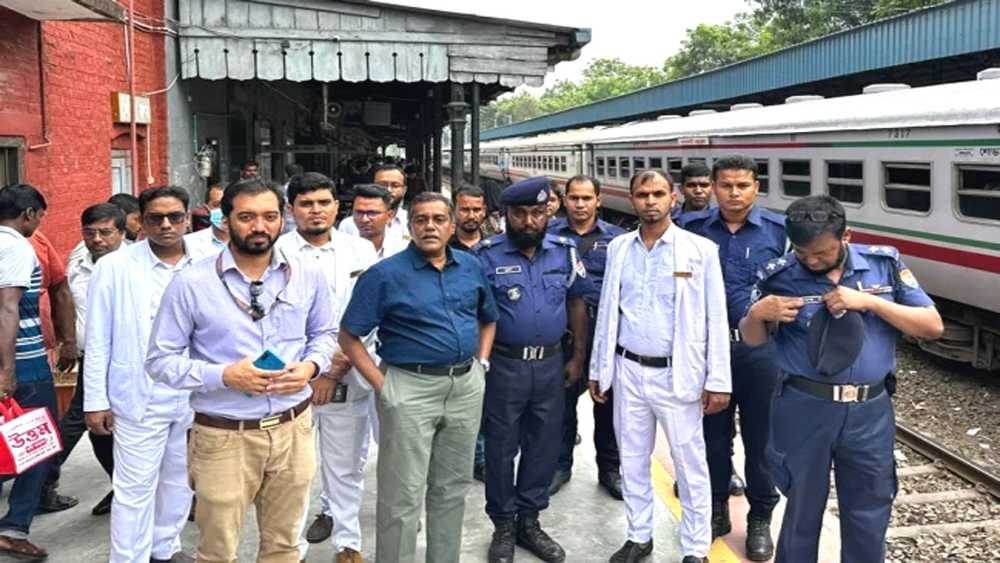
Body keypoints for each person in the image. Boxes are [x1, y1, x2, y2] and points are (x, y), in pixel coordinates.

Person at [739, 195, 943, 563]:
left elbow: (932, 325)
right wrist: (757, 314)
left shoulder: (884, 265)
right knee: (801, 507)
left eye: (821, 253)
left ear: (845, 236)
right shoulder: (779, 275)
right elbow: (753, 340)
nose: (811, 260)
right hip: (804, 408)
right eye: (803, 253)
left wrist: (872, 303)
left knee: (869, 510)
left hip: (869, 411)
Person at [145, 178, 337, 562]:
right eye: (247, 217)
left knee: (284, 546)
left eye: (269, 216)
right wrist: (224, 375)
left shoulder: (308, 274)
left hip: (293, 428)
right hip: (224, 435)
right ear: (224, 219)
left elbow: (325, 334)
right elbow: (159, 362)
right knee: (218, 550)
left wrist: (312, 366)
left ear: (282, 219)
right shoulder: (191, 284)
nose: (260, 226)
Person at [339, 192, 498, 563]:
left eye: (438, 219)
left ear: (452, 225)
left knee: (451, 487)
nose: (430, 227)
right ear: (409, 227)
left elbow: (488, 318)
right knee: (402, 493)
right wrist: (384, 386)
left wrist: (482, 364)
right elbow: (349, 336)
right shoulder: (384, 275)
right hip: (408, 386)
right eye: (421, 220)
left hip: (465, 385)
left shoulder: (470, 267)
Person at [590, 169, 731, 563]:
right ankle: (639, 536)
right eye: (642, 194)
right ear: (631, 199)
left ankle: (695, 549)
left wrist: (718, 380)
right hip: (628, 370)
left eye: (657, 193)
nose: (649, 201)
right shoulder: (619, 248)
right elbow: (608, 313)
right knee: (632, 459)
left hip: (678, 374)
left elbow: (715, 319)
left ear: (673, 197)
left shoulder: (699, 250)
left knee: (690, 465)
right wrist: (600, 369)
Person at [677, 155, 786, 559]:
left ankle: (760, 518)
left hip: (760, 353)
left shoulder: (778, 232)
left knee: (763, 442)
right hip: (706, 352)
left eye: (743, 186)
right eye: (726, 186)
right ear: (714, 187)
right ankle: (717, 507)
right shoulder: (689, 230)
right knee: (711, 437)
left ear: (756, 187)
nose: (734, 193)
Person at [475, 176, 588, 563]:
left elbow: (576, 305)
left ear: (547, 213)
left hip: (552, 365)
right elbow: (476, 315)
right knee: (501, 447)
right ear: (505, 215)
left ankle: (530, 520)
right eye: (520, 213)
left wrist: (577, 358)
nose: (528, 221)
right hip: (505, 366)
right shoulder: (486, 256)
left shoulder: (564, 252)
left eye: (536, 213)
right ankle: (503, 525)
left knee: (544, 444)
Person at [83, 186, 196, 563]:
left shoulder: (207, 262)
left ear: (187, 218)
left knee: (179, 481)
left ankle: (166, 547)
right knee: (133, 488)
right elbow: (98, 338)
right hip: (137, 395)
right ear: (140, 222)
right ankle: (128, 558)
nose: (166, 225)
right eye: (155, 218)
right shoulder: (116, 267)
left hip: (193, 394)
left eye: (175, 217)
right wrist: (96, 400)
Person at [275, 173, 378, 563]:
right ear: (291, 210)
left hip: (348, 372)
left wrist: (334, 367)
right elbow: (270, 321)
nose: (315, 210)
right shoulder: (277, 252)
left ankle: (348, 543)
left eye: (323, 202)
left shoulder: (361, 252)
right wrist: (310, 370)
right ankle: (291, 549)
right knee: (291, 472)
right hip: (292, 379)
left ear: (338, 207)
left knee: (345, 465)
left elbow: (371, 315)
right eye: (306, 204)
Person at [546, 175, 625, 500]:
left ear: (598, 201)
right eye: (573, 198)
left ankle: (609, 469)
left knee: (608, 404)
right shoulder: (548, 237)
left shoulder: (619, 240)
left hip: (607, 333)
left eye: (586, 198)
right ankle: (560, 466)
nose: (579, 204)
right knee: (560, 405)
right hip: (562, 333)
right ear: (564, 200)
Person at [45, 203, 126, 518]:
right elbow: (67, 303)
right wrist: (68, 343)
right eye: (90, 232)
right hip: (91, 358)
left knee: (84, 422)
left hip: (124, 361)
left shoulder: (134, 265)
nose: (97, 239)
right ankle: (122, 486)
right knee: (99, 431)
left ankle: (41, 481)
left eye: (105, 232)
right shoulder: (78, 261)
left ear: (120, 233)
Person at [0, 184, 57, 560]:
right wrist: (7, 371)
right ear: (28, 214)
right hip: (22, 360)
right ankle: (14, 527)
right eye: (39, 217)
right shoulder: (17, 247)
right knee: (36, 443)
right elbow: (8, 307)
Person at [450, 184, 498, 481]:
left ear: (484, 211)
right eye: (465, 209)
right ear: (455, 210)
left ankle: (480, 458)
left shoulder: (496, 248)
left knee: (485, 403)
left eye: (476, 209)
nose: (471, 215)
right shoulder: (443, 246)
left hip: (490, 336)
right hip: (456, 336)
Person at [340, 164, 410, 241]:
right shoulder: (349, 225)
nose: (389, 190)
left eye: (395, 185)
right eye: (382, 185)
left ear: (404, 190)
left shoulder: (411, 222)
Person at [66, 193, 140, 266]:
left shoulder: (136, 264)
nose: (97, 239)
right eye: (136, 219)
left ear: (122, 233)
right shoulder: (80, 261)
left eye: (105, 232)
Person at [347, 184, 409, 259]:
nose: (364, 219)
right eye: (359, 212)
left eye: (372, 213)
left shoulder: (402, 252)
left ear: (389, 216)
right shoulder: (342, 250)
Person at [184, 183, 228, 261]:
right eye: (217, 205)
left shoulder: (252, 242)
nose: (224, 210)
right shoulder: (188, 243)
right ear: (207, 207)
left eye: (228, 205)